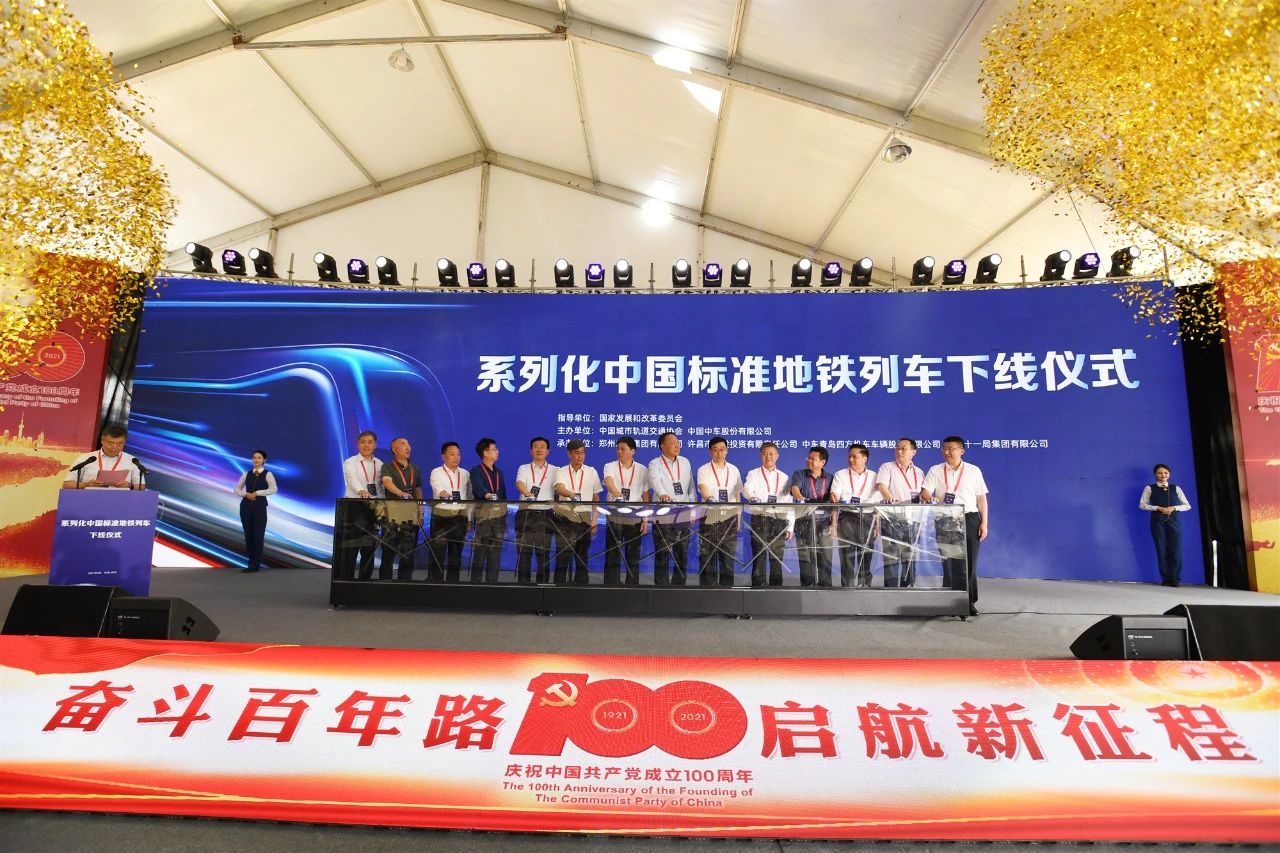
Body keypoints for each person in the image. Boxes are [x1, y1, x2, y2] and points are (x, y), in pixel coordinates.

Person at [920, 436, 989, 616]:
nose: (947, 452)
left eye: (951, 448)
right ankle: (949, 601)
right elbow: (925, 491)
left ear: (961, 451)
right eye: (944, 448)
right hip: (945, 519)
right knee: (949, 562)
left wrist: (984, 523)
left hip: (969, 518)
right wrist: (932, 498)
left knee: (969, 562)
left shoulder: (973, 470)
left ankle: (969, 602)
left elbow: (981, 498)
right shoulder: (936, 470)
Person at [876, 437, 926, 588]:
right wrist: (889, 497)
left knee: (910, 558)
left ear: (913, 452)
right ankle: (890, 591)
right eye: (897, 448)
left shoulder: (919, 472)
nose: (899, 451)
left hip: (913, 520)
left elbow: (922, 494)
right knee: (890, 558)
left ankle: (907, 589)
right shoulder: (887, 467)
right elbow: (881, 485)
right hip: (891, 519)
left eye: (903, 448)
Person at [742, 441, 793, 587]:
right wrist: (751, 497)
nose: (768, 457)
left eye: (771, 454)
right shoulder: (753, 474)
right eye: (765, 454)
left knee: (776, 559)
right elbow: (746, 489)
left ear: (777, 456)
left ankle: (776, 592)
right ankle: (757, 592)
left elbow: (789, 503)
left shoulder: (784, 477)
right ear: (760, 456)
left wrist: (790, 526)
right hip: (760, 518)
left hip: (779, 520)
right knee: (758, 557)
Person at [829, 443, 881, 588]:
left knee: (866, 555)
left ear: (865, 459)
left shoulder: (875, 476)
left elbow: (878, 506)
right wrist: (834, 525)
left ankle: (865, 587)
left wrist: (877, 526)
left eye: (854, 456)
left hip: (868, 518)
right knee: (846, 556)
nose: (851, 459)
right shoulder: (840, 474)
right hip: (847, 517)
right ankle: (847, 588)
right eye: (849, 456)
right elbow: (835, 501)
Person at [648, 431, 695, 586]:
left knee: (682, 551)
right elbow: (655, 481)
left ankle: (679, 587)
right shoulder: (655, 464)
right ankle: (661, 588)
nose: (677, 446)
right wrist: (662, 494)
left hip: (683, 512)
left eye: (678, 443)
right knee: (662, 551)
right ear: (662, 446)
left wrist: (692, 508)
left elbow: (690, 487)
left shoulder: (685, 462)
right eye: (673, 443)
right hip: (664, 512)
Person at [602, 435, 649, 586]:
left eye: (623, 449)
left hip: (634, 515)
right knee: (612, 552)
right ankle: (611, 586)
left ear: (633, 451)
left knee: (633, 554)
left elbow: (645, 495)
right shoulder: (610, 466)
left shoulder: (642, 469)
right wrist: (617, 493)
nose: (619, 451)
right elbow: (609, 481)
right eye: (618, 448)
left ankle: (632, 586)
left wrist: (646, 519)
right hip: (614, 514)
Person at [696, 436, 743, 587]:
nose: (719, 452)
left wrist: (738, 517)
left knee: (728, 557)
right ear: (710, 452)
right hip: (709, 515)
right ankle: (707, 592)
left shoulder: (734, 469)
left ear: (727, 451)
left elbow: (737, 494)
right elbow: (703, 489)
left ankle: (726, 592)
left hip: (729, 516)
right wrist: (709, 498)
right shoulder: (703, 469)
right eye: (715, 450)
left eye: (722, 449)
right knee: (707, 556)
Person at [553, 439, 601, 584]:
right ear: (569, 454)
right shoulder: (561, 471)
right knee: (562, 557)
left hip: (584, 518)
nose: (580, 456)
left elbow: (596, 498)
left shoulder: (591, 472)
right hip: (564, 518)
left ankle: (582, 589)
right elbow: (559, 488)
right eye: (576, 453)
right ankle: (559, 589)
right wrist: (571, 494)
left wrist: (594, 521)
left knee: (582, 557)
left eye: (582, 453)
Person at [340, 430, 385, 580]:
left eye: (370, 442)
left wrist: (382, 505)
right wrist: (361, 491)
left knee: (369, 547)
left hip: (373, 508)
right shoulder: (350, 462)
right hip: (355, 506)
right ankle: (346, 582)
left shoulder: (380, 464)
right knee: (351, 547)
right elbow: (351, 479)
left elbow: (380, 488)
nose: (366, 445)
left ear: (375, 445)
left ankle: (364, 581)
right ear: (357, 444)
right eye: (363, 442)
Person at [1138, 463, 1191, 587]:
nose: (1163, 475)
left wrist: (1174, 508)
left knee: (1175, 550)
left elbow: (1187, 505)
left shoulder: (1176, 488)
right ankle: (1166, 579)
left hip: (1174, 522)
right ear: (1155, 474)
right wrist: (1158, 508)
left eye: (1166, 473)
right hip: (1157, 522)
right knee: (1161, 550)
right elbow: (1142, 505)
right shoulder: (1149, 488)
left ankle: (1175, 579)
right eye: (1160, 473)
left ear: (1169, 474)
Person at [514, 436, 558, 584]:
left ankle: (542, 587)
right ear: (531, 450)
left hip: (546, 515)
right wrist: (527, 494)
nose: (539, 449)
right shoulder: (524, 468)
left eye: (542, 447)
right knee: (523, 553)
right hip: (526, 513)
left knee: (543, 554)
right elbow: (519, 483)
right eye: (535, 447)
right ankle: (523, 587)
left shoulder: (555, 470)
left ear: (548, 451)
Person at [789, 446, 834, 587]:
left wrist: (834, 524)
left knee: (825, 557)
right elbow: (794, 488)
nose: (809, 460)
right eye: (808, 458)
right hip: (804, 521)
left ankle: (826, 588)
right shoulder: (799, 474)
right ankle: (807, 588)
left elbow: (834, 503)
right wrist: (799, 497)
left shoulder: (831, 478)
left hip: (824, 523)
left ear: (822, 462)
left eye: (813, 459)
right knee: (805, 559)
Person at [379, 437, 423, 582]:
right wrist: (401, 493)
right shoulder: (387, 467)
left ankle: (405, 584)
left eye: (408, 444)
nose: (407, 447)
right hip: (392, 516)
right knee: (388, 553)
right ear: (394, 449)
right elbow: (387, 482)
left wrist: (421, 511)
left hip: (411, 516)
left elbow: (418, 490)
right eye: (403, 444)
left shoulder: (415, 468)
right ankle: (385, 584)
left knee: (408, 554)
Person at [428, 441, 472, 583]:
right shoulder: (436, 472)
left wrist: (469, 518)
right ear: (443, 456)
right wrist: (442, 493)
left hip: (460, 517)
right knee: (438, 553)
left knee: (456, 554)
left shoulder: (465, 474)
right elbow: (436, 487)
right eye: (452, 454)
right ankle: (436, 584)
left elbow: (468, 498)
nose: (456, 457)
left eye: (458, 454)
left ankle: (453, 585)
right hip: (441, 516)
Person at [467, 437, 507, 584]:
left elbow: (503, 494)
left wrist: (505, 515)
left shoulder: (499, 472)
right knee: (480, 552)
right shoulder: (476, 471)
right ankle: (475, 585)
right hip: (483, 516)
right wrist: (488, 495)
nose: (498, 452)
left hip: (498, 517)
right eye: (494, 449)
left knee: (495, 554)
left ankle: (492, 584)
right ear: (485, 453)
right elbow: (478, 488)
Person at [233, 450, 277, 574]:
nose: (256, 459)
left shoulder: (268, 474)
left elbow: (273, 489)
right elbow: (237, 489)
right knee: (249, 535)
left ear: (264, 460)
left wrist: (257, 493)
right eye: (254, 457)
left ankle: (255, 564)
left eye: (259, 457)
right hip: (245, 507)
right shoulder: (246, 474)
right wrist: (246, 494)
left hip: (259, 508)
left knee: (258, 536)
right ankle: (251, 562)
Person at [63, 425, 144, 490]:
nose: (114, 447)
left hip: (120, 501)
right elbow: (67, 484)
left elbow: (142, 487)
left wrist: (130, 486)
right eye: (110, 443)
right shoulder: (86, 458)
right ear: (102, 440)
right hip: (88, 500)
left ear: (125, 442)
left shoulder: (132, 461)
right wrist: (86, 484)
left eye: (119, 444)